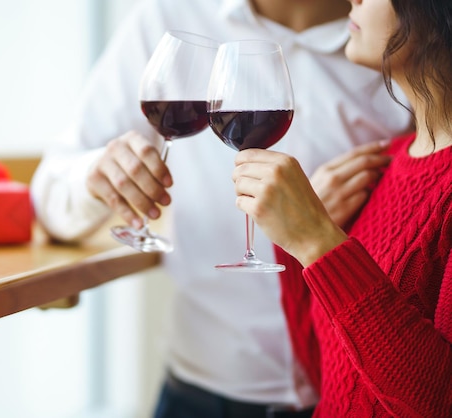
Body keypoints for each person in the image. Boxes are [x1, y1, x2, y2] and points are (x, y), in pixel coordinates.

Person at [32, 0, 413, 416]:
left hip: (358, 395)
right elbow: (50, 198)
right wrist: (99, 176)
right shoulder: (171, 17)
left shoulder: (394, 34)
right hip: (201, 394)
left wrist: (317, 229)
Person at [229, 0, 452, 415]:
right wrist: (297, 248)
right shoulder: (382, 165)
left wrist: (318, 242)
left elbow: (441, 401)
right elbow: (330, 379)